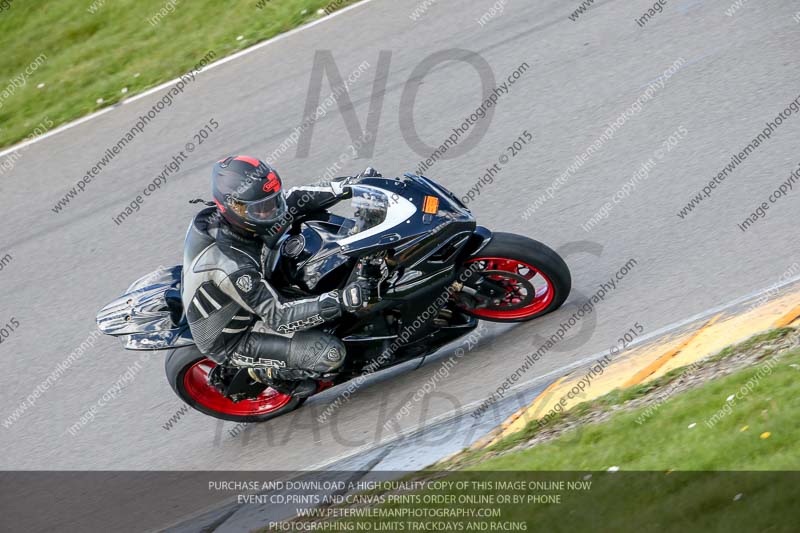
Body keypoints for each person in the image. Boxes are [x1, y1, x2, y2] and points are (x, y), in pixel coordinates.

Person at [181, 155, 379, 397]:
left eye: (272, 202)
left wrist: (348, 186)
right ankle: (266, 373)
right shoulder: (232, 264)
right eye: (262, 209)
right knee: (330, 354)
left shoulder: (239, 214)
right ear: (233, 207)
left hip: (246, 289)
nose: (272, 211)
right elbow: (279, 316)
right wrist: (342, 299)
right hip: (238, 336)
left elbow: (295, 199)